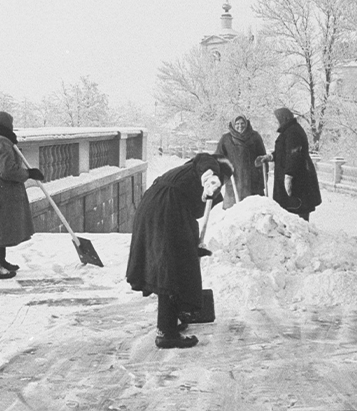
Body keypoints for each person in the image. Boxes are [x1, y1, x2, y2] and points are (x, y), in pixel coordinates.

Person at [125, 153, 233, 349]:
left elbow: (192, 214)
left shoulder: (190, 180)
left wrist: (192, 249)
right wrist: (212, 176)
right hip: (165, 209)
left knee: (169, 265)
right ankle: (166, 333)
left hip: (156, 207)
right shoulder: (206, 167)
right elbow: (205, 160)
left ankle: (171, 321)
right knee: (170, 269)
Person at [0, 111, 44, 280]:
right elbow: (7, 171)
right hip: (1, 189)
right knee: (0, 225)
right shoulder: (1, 142)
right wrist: (28, 174)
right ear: (5, 125)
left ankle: (1, 261)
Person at [256, 108, 321, 221]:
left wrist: (289, 176)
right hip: (293, 174)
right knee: (293, 207)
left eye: (278, 119)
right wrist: (270, 157)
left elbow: (294, 155)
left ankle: (301, 235)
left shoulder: (293, 132)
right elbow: (284, 151)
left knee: (298, 207)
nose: (277, 121)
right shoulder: (289, 130)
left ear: (284, 118)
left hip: (298, 177)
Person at [214, 114, 266, 208]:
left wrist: (263, 177)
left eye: (242, 123)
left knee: (254, 210)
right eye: (237, 123)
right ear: (233, 125)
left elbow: (263, 157)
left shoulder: (255, 137)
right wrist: (225, 171)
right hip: (235, 179)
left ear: (246, 123)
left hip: (253, 180)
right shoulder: (226, 139)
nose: (240, 126)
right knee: (234, 212)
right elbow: (218, 158)